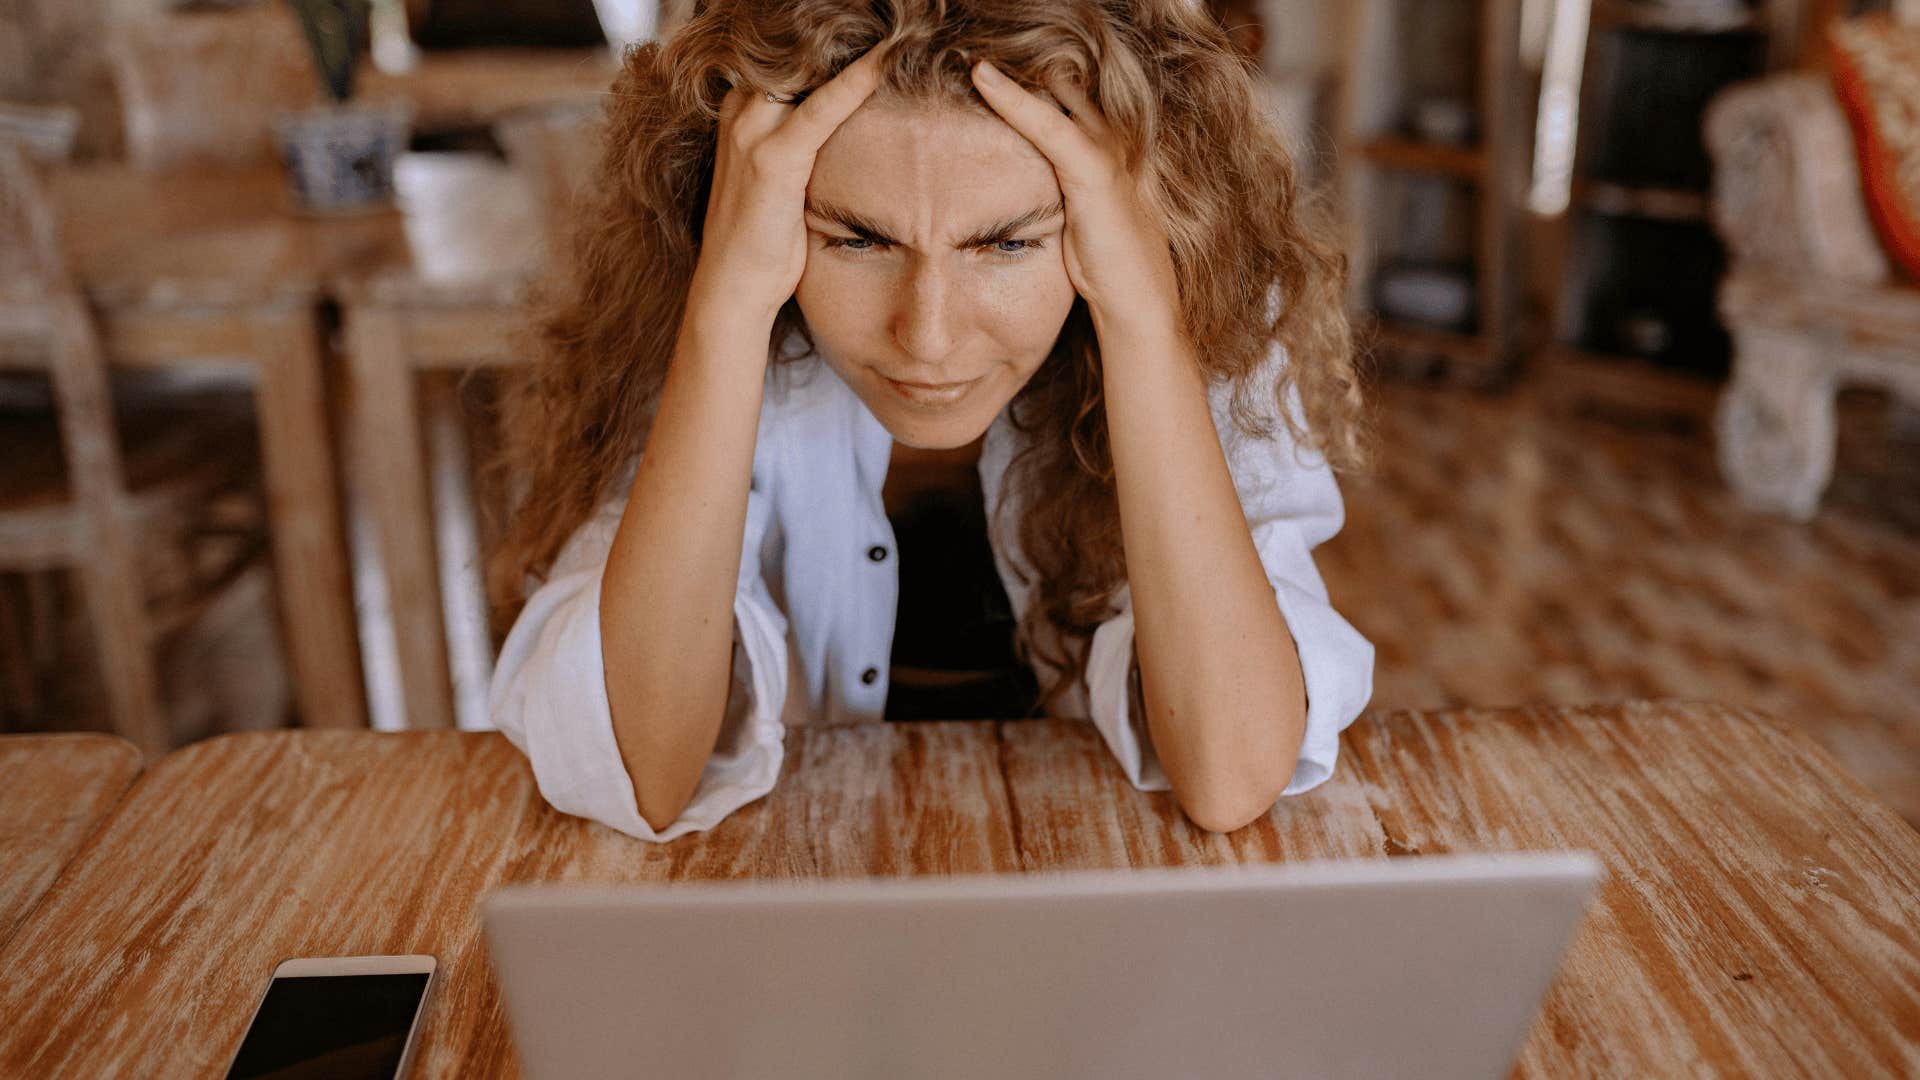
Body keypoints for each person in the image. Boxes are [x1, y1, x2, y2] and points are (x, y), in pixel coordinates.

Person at [488, 0, 1374, 842]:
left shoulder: (1205, 318)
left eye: (1007, 243)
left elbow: (1232, 775)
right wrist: (725, 306)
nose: (930, 338)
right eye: (858, 239)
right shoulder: (701, 305)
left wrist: (1141, 319)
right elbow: (641, 774)